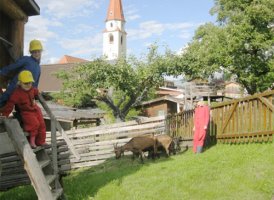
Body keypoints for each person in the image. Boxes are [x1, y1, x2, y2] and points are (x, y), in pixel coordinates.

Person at [0, 70, 46, 148]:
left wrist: (41, 94)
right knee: (34, 124)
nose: (28, 85)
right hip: (26, 111)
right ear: (20, 82)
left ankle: (41, 142)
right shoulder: (16, 94)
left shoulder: (32, 89)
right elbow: (10, 104)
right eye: (26, 83)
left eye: (30, 83)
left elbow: (36, 92)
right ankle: (32, 141)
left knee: (42, 124)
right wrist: (5, 114)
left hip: (35, 109)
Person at [0, 39, 43, 107]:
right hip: (16, 85)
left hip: (27, 90)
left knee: (24, 106)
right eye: (34, 52)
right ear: (31, 52)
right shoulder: (26, 59)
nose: (37, 54)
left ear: (41, 52)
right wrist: (2, 71)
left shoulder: (38, 68)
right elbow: (14, 66)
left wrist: (34, 92)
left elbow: (36, 82)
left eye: (38, 51)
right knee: (5, 97)